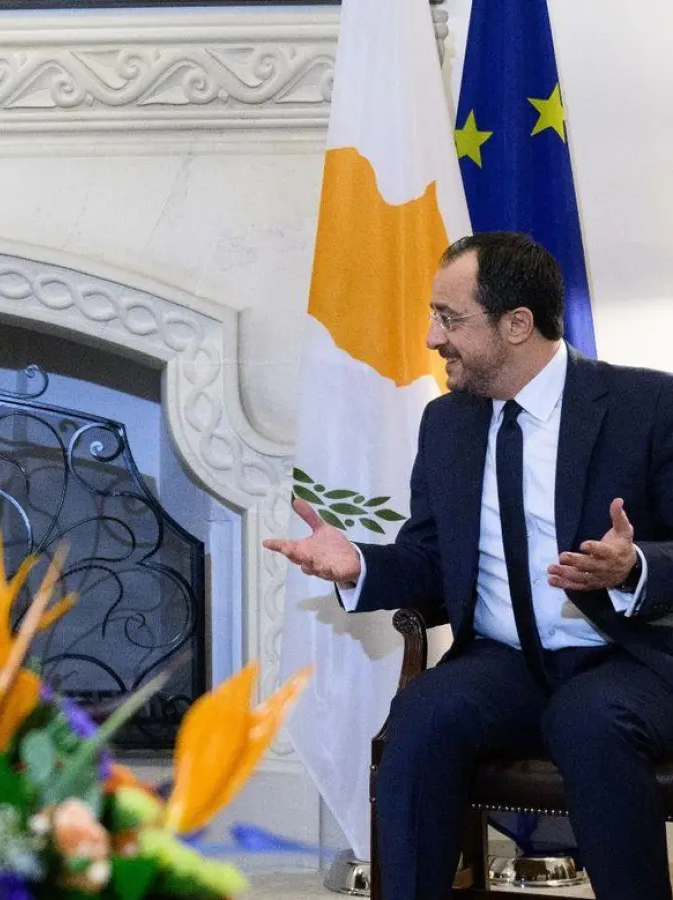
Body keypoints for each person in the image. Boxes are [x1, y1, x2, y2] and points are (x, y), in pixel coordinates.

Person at [265, 231, 673, 900]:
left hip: (626, 656)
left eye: (448, 319)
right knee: (421, 716)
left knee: (588, 720)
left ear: (516, 325)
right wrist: (357, 566)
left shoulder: (646, 407)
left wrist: (632, 568)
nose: (431, 337)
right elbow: (429, 557)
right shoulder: (446, 423)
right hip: (506, 661)